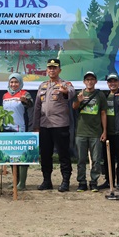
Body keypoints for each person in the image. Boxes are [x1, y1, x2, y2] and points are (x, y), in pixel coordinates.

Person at [33, 59, 75, 192]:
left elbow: (72, 92)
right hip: (44, 126)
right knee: (45, 155)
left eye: (54, 68)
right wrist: (36, 125)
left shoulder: (65, 84)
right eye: (49, 68)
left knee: (63, 154)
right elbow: (37, 107)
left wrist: (65, 92)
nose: (52, 70)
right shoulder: (42, 85)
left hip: (60, 125)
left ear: (59, 70)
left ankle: (65, 181)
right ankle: (46, 180)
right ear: (47, 70)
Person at [72, 71, 107, 192]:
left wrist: (104, 131)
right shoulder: (79, 93)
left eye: (92, 79)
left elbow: (103, 113)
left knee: (96, 159)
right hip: (81, 132)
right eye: (87, 79)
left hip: (95, 132)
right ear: (84, 82)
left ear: (96, 81)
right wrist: (79, 100)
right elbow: (74, 107)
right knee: (81, 159)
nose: (89, 81)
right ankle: (81, 182)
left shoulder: (100, 95)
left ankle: (94, 182)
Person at [99, 73, 119, 190]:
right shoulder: (104, 96)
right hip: (107, 133)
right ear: (107, 83)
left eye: (115, 81)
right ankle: (109, 181)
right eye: (110, 81)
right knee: (108, 159)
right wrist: (103, 131)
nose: (112, 83)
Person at [2, 73, 33, 190]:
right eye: (11, 82)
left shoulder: (25, 93)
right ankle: (15, 181)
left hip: (20, 129)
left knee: (22, 157)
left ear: (20, 83)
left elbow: (30, 105)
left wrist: (25, 101)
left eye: (16, 82)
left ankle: (22, 183)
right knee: (11, 157)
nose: (13, 84)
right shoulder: (5, 95)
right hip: (7, 129)